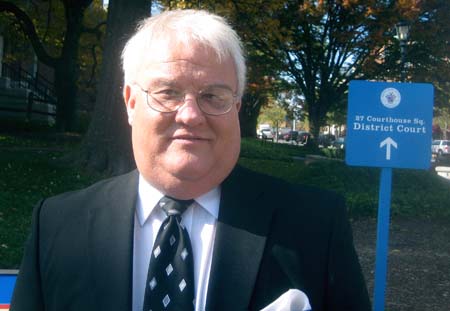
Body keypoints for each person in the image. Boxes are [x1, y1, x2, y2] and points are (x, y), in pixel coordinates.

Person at [11, 9, 371, 311]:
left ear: (237, 108)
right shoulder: (57, 225)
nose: (191, 115)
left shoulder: (315, 226)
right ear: (130, 102)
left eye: (214, 95)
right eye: (168, 92)